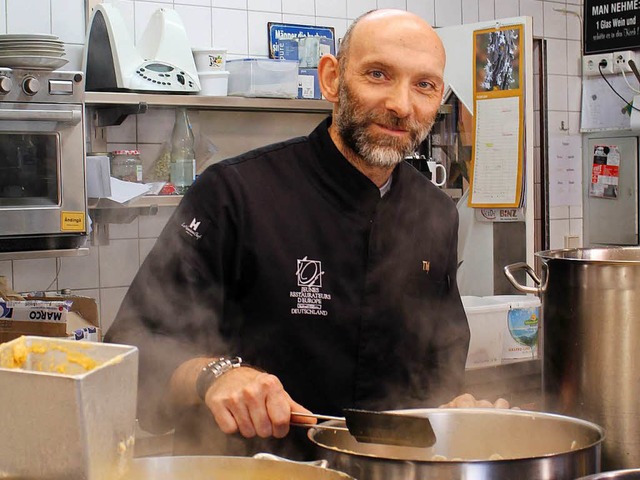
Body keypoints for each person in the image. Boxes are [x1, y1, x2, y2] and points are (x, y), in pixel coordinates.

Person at [105, 9, 506, 460]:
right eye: (378, 74)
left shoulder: (435, 211)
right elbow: (130, 354)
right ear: (332, 79)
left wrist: (458, 409)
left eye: (424, 85)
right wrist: (215, 374)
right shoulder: (234, 194)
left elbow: (441, 366)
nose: (401, 105)